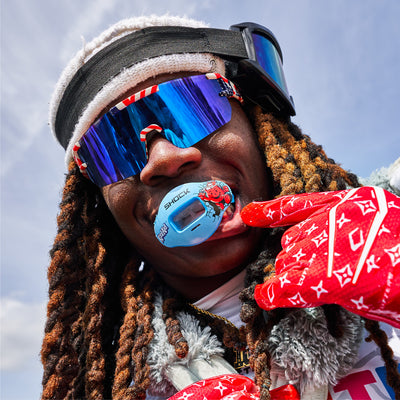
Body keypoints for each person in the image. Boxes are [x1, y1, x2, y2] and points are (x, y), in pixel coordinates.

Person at [41, 15, 400, 400]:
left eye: (191, 108)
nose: (163, 158)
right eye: (113, 147)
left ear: (258, 125)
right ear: (101, 206)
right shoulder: (122, 386)